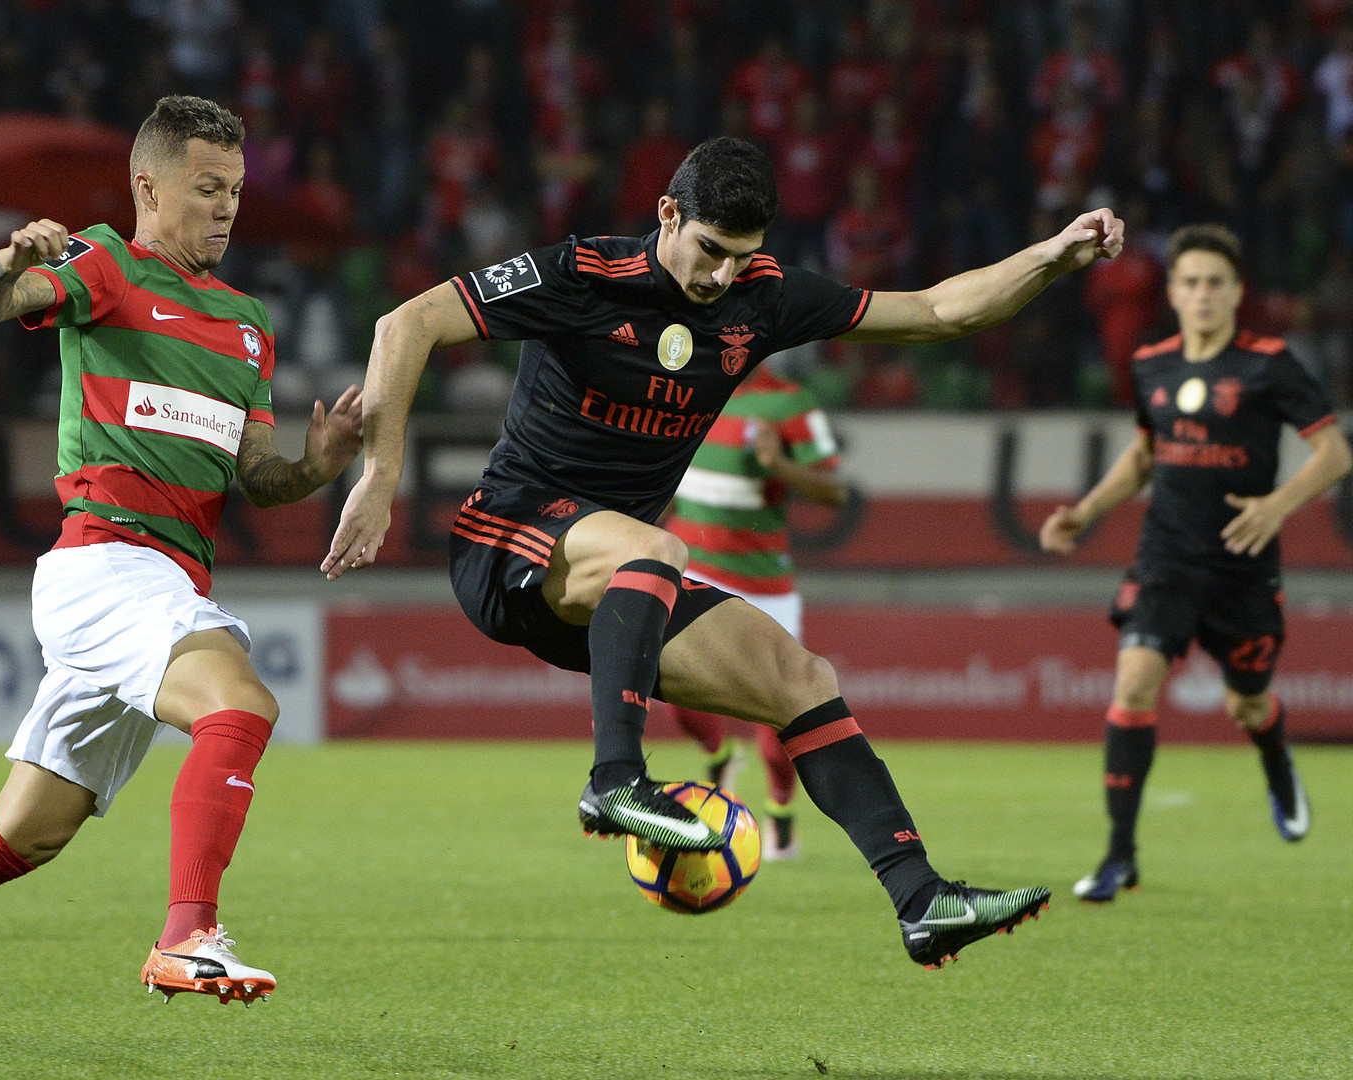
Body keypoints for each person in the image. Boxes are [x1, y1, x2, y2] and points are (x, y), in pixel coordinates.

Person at [323, 136, 1124, 968]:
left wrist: (1052, 256)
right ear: (668, 213)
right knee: (657, 548)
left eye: (740, 259)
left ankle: (922, 900)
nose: (719, 277)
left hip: (612, 588)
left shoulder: (763, 298)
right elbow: (404, 322)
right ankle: (615, 782)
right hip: (506, 540)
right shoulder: (582, 274)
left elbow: (935, 311)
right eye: (708, 250)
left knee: (803, 682)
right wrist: (381, 477)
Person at [0, 95, 364, 1062]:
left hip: (166, 581)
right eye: (208, 189)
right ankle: (188, 934)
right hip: (105, 565)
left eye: (237, 192)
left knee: (21, 834)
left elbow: (257, 477)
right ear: (148, 187)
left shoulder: (248, 325)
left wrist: (321, 463)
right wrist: (11, 262)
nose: (226, 209)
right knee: (240, 705)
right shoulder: (107, 266)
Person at [1040, 223, 1350, 903]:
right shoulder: (1153, 364)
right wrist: (1085, 512)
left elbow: (1336, 455)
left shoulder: (1270, 363)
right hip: (1166, 559)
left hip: (1242, 567)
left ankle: (1274, 758)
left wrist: (1276, 505)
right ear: (1173, 294)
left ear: (1237, 293)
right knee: (1134, 685)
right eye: (1191, 283)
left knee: (1248, 705)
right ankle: (1119, 856)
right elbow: (1146, 455)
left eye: (1215, 282)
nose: (1203, 294)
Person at [659, 366, 850, 860]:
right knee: (675, 689)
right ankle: (719, 757)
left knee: (780, 718)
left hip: (763, 583)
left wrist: (777, 463)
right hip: (693, 568)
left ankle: (780, 813)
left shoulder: (789, 404)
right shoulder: (684, 389)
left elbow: (835, 491)